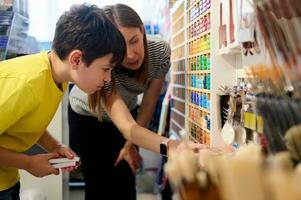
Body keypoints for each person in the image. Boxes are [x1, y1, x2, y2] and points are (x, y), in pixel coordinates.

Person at [68, 3, 206, 200]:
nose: (131, 54)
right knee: (99, 182)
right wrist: (172, 145)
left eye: (134, 41)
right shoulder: (107, 66)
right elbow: (125, 126)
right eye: (122, 48)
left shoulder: (159, 52)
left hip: (129, 115)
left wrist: (129, 145)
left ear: (142, 30)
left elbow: (149, 103)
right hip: (88, 116)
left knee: (126, 177)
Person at [0, 4, 126, 199]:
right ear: (76, 60)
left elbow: (25, 121)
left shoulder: (59, 78)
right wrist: (29, 163)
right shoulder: (26, 84)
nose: (108, 79)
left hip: (7, 179)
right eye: (105, 69)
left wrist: (55, 147)